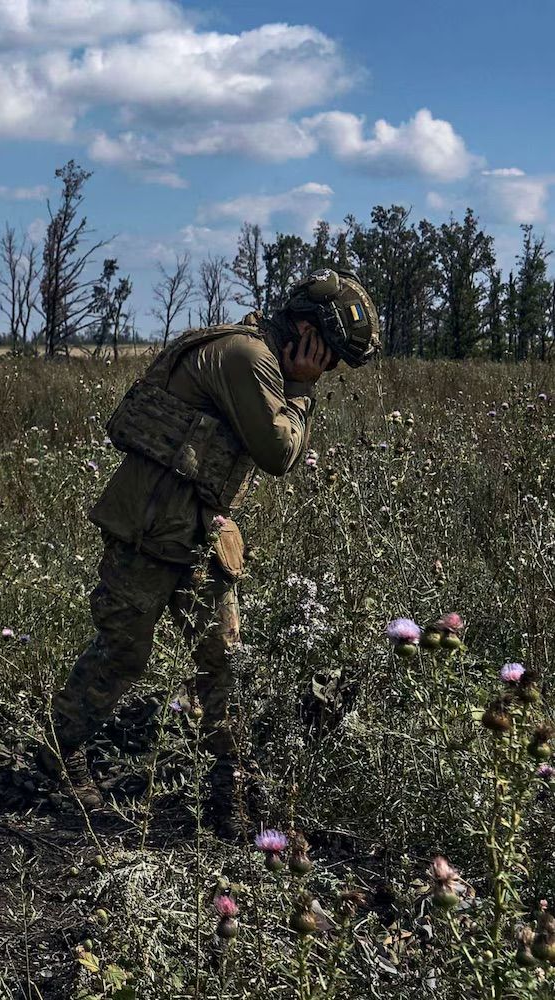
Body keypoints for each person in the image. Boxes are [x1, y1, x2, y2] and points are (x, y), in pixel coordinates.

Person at [38, 267, 381, 837]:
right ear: (306, 330)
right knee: (122, 652)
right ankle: (60, 754)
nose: (331, 368)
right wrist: (301, 390)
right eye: (331, 355)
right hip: (149, 530)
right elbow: (278, 452)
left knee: (223, 662)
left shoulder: (258, 355)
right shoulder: (247, 358)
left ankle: (229, 788)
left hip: (199, 533)